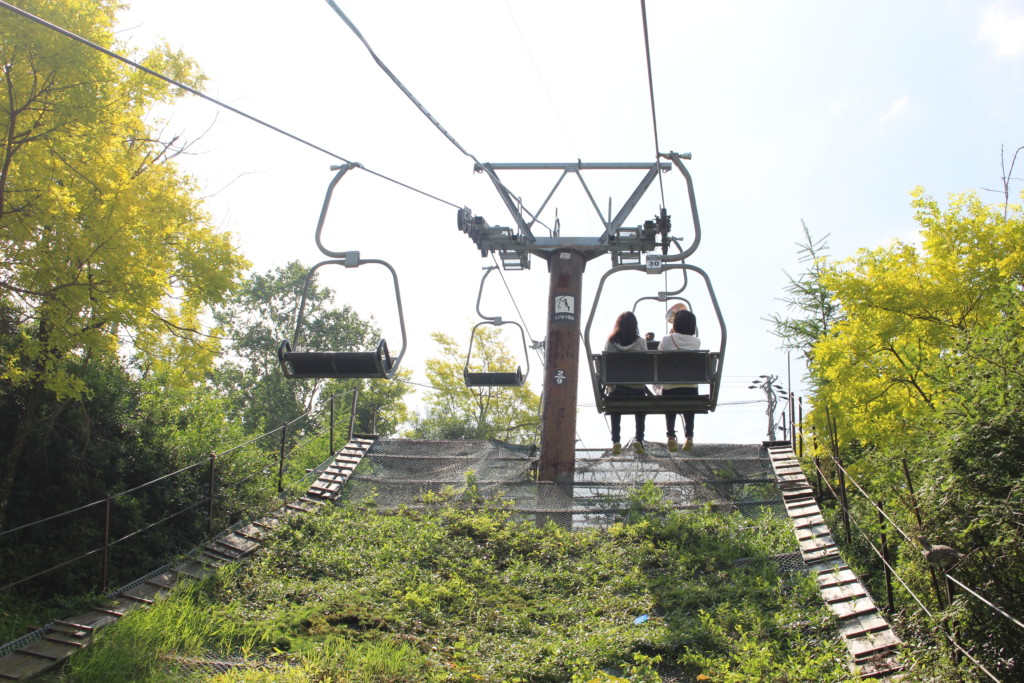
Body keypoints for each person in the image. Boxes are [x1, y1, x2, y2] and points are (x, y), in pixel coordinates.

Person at [605, 311, 648, 455]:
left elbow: (605, 367)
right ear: (635, 325)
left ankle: (616, 441)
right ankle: (639, 439)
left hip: (617, 391)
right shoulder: (641, 342)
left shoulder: (610, 342)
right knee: (641, 408)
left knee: (615, 408)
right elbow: (646, 366)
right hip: (637, 390)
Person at [658, 309, 701, 451]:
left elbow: (658, 355)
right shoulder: (696, 342)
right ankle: (689, 436)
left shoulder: (666, 339)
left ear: (675, 323)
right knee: (689, 409)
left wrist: (671, 336)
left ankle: (670, 435)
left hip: (670, 389)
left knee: (670, 407)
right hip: (691, 389)